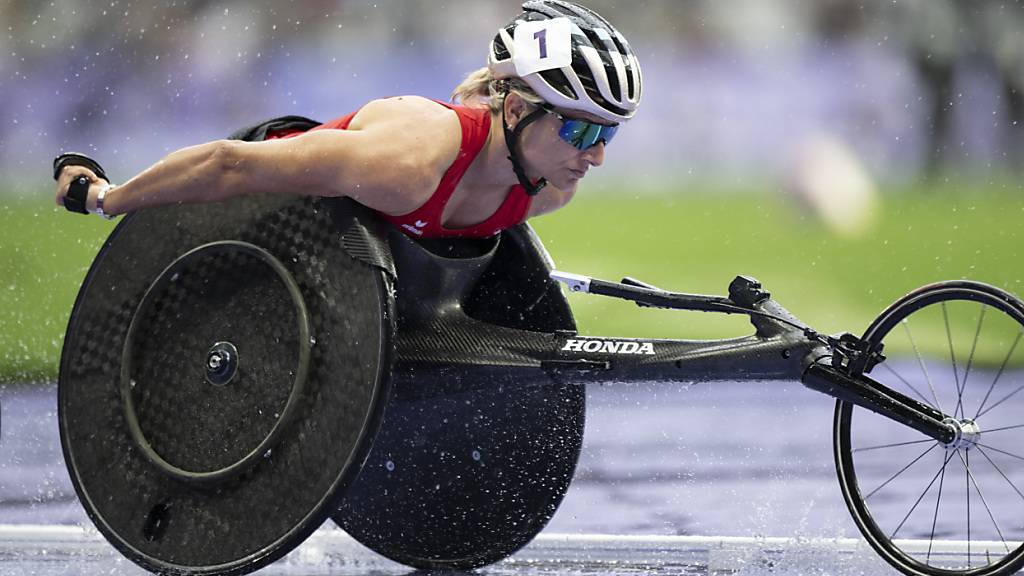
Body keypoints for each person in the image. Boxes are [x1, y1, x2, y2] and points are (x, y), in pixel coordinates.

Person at [54, 0, 642, 239]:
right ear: (515, 109)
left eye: (606, 133)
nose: (596, 156)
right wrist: (106, 197)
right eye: (581, 129)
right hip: (262, 203)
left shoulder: (546, 193)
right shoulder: (407, 162)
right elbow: (230, 165)